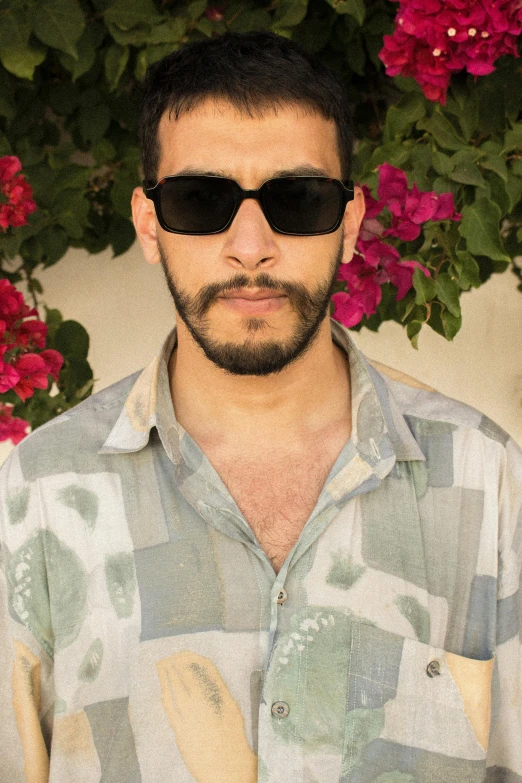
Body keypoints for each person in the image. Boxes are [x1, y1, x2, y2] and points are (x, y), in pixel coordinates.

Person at [0, 29, 520, 783]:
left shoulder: (488, 480)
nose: (251, 245)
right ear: (149, 222)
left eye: (298, 199)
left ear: (350, 220)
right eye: (201, 199)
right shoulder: (35, 497)